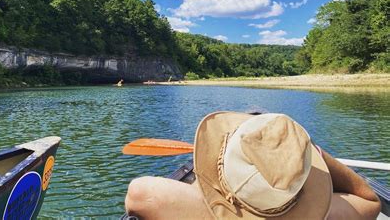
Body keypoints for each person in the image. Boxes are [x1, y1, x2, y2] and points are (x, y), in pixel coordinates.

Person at [125, 112, 381, 219]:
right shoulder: (331, 214)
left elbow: (138, 191)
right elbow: (371, 201)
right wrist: (316, 155)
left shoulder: (153, 197)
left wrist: (202, 182)